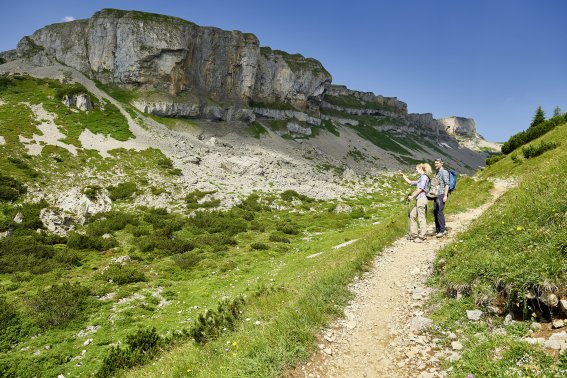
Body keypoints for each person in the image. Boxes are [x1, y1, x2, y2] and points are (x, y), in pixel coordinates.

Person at [399, 163, 432, 243]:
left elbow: (420, 189)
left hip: (421, 199)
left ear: (421, 168)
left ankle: (422, 236)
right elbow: (410, 182)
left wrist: (412, 197)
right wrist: (403, 175)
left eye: (416, 168)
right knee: (412, 216)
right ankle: (414, 234)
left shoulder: (424, 177)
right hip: (418, 200)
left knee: (421, 217)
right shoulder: (420, 178)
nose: (415, 170)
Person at [433, 158, 450, 238]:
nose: (435, 164)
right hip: (436, 194)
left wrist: (445, 195)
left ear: (441, 163)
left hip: (441, 194)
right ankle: (438, 229)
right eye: (435, 163)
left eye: (437, 163)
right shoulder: (437, 172)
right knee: (435, 211)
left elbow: (447, 184)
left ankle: (442, 230)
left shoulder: (444, 172)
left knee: (439, 211)